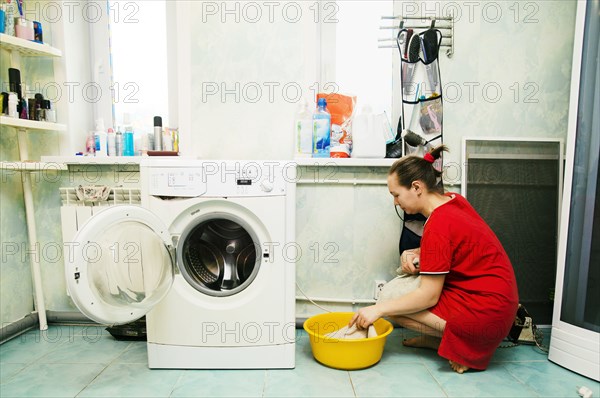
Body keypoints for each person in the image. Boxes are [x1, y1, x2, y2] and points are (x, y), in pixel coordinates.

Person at [349, 145, 519, 373]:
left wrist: (379, 310)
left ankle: (464, 346)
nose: (396, 203)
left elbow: (428, 296)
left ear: (416, 187)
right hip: (499, 305)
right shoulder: (453, 200)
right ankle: (444, 342)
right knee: (399, 291)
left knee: (388, 300)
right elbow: (459, 243)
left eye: (396, 195)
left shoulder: (438, 225)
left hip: (485, 317)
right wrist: (418, 252)